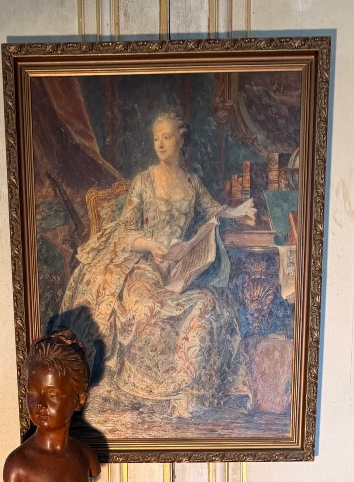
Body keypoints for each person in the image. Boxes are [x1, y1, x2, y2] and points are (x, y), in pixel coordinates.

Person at [60, 111, 255, 418]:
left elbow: (213, 210)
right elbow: (125, 231)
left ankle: (184, 390)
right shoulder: (144, 181)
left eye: (167, 137)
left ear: (181, 140)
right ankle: (154, 392)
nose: (161, 144)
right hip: (142, 265)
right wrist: (151, 244)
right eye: (156, 138)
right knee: (144, 307)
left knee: (207, 303)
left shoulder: (192, 183)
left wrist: (238, 210)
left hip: (178, 269)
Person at [3, 329, 101, 482]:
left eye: (53, 394)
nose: (40, 403)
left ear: (79, 400)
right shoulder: (17, 465)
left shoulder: (86, 457)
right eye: (33, 392)